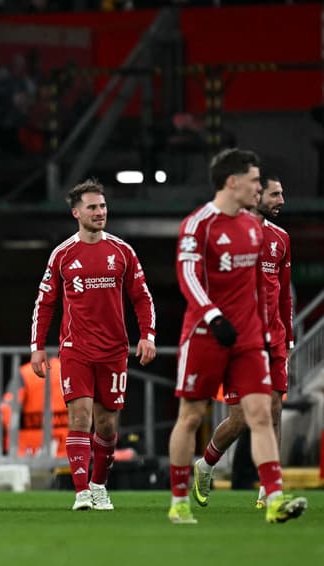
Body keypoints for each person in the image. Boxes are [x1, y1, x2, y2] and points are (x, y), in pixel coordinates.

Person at [168, 148, 306, 524]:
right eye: (255, 182)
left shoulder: (254, 229)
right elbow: (188, 277)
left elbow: (264, 289)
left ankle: (273, 498)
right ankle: (179, 500)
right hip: (205, 334)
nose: (259, 189)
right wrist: (213, 317)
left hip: (249, 339)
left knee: (262, 412)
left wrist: (268, 332)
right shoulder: (199, 224)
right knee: (191, 416)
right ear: (233, 182)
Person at [29, 179, 156, 511]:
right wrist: (37, 346)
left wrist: (148, 335)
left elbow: (142, 298)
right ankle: (82, 491)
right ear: (76, 213)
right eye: (92, 207)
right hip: (76, 349)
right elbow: (45, 303)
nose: (100, 212)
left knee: (107, 425)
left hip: (114, 351)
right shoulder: (63, 254)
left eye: (102, 206)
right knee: (80, 416)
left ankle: (99, 485)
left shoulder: (122, 252)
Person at [191, 172, 294, 509]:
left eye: (282, 195)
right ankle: (205, 465)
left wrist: (288, 339)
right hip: (238, 339)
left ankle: (270, 489)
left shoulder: (281, 239)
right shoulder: (226, 235)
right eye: (275, 195)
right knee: (241, 418)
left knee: (274, 409)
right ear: (256, 194)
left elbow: (284, 296)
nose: (281, 202)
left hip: (274, 338)